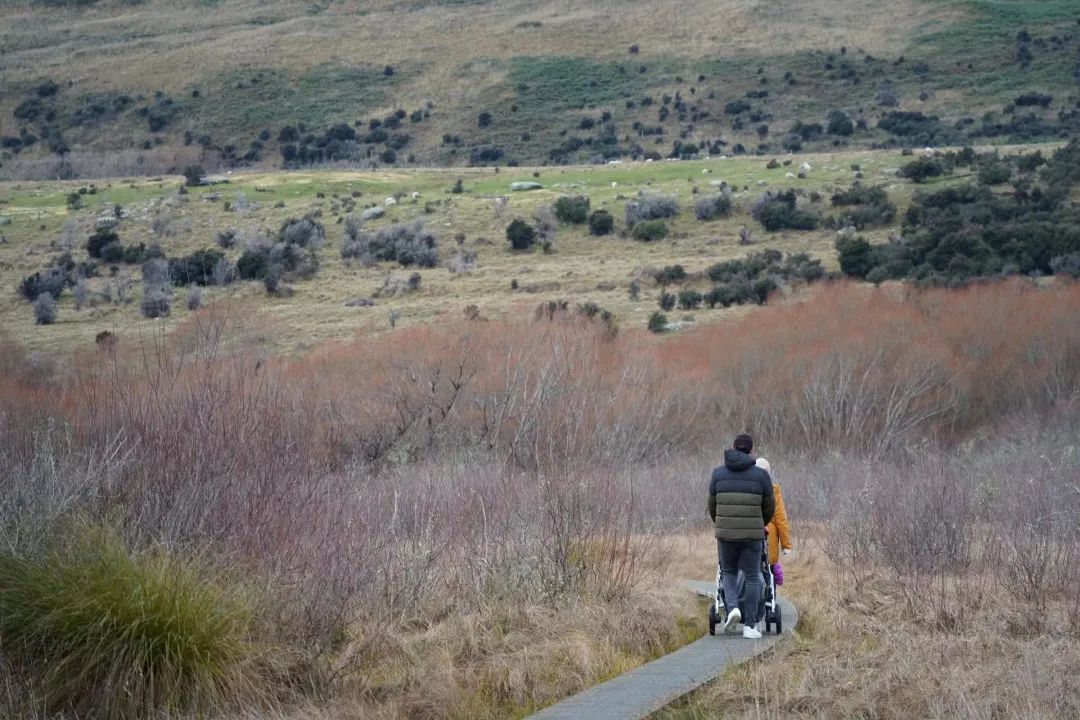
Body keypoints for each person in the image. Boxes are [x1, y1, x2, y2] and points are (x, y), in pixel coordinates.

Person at [708, 433, 775, 639]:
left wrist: (721, 523)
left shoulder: (718, 474)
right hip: (752, 535)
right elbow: (769, 507)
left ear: (733, 448)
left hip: (726, 534)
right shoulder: (761, 476)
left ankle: (732, 607)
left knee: (728, 571)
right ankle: (750, 626)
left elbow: (712, 506)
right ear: (751, 451)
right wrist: (759, 523)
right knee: (753, 575)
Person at [755, 458, 792, 568]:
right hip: (768, 539)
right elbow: (780, 518)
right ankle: (770, 584)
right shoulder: (773, 490)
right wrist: (786, 545)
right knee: (769, 572)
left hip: (747, 538)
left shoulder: (745, 488)